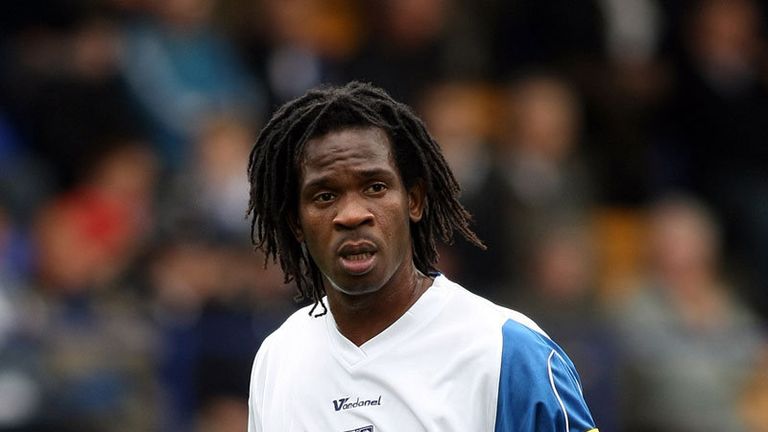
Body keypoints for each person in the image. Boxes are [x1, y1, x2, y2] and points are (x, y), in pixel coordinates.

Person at [245, 81, 598, 431]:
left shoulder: (508, 352)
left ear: (413, 201)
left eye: (375, 187)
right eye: (325, 196)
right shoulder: (278, 360)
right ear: (296, 222)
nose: (352, 215)